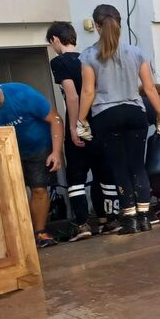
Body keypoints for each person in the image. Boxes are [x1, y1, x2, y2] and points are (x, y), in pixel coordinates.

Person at [77, 5, 160, 235]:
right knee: (137, 166)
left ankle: (129, 220)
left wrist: (81, 121)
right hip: (135, 113)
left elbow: (88, 92)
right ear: (119, 23)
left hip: (106, 115)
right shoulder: (136, 53)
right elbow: (148, 88)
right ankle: (145, 218)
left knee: (119, 168)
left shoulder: (88, 55)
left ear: (97, 26)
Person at [47, 21, 119, 238]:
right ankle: (110, 220)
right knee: (104, 173)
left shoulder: (59, 62)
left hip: (81, 121)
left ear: (55, 40)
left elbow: (72, 94)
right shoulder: (90, 58)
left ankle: (82, 224)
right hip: (101, 120)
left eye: (52, 44)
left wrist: (74, 125)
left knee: (76, 175)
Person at [0, 76, 63, 248]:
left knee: (38, 189)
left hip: (37, 148)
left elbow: (55, 119)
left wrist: (56, 152)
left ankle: (40, 233)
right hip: (3, 153)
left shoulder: (22, 94)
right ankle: (18, 237)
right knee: (8, 193)